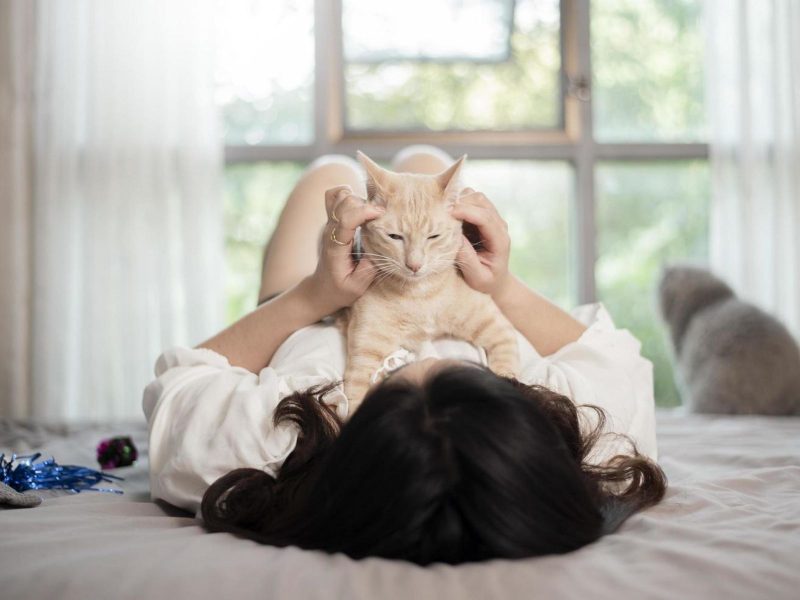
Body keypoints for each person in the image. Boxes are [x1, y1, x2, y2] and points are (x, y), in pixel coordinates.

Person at [142, 145, 666, 566]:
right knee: (426, 163)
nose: (423, 360)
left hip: (310, 313)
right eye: (464, 381)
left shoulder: (273, 441)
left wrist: (311, 296)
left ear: (364, 446)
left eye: (400, 392)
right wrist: (501, 286)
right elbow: (612, 356)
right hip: (443, 278)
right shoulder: (591, 439)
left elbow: (181, 379)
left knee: (328, 171)